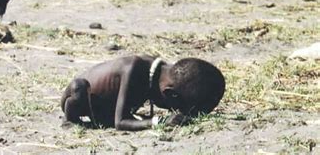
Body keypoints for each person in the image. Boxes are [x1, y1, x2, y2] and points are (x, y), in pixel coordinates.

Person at [60, 55, 225, 131]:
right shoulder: (135, 70)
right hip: (82, 101)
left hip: (105, 110)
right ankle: (69, 121)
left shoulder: (160, 73)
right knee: (78, 88)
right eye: (178, 107)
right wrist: (157, 121)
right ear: (170, 95)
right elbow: (121, 122)